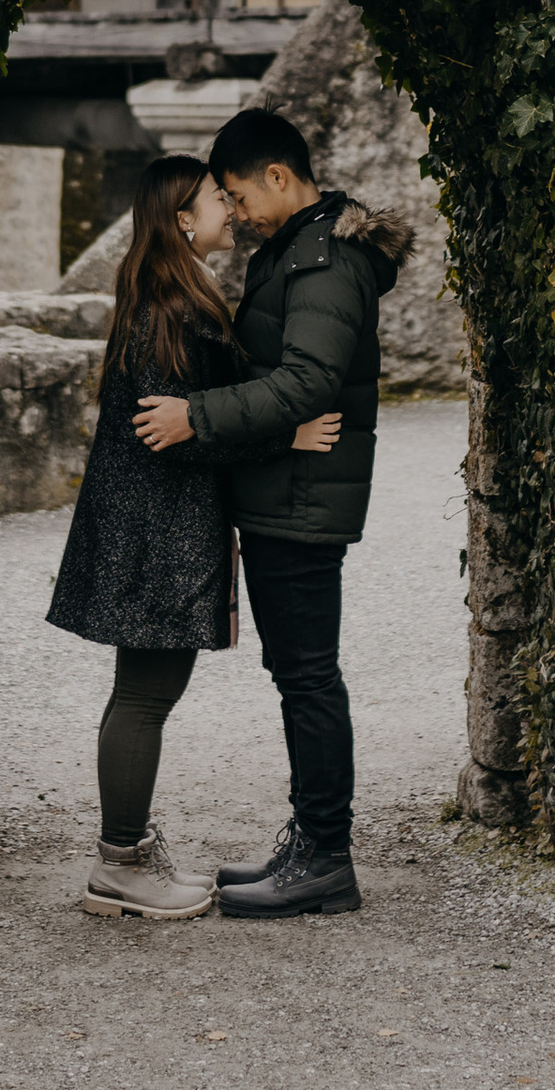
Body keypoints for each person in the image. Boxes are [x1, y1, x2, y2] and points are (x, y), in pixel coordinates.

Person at [46, 153, 342, 920]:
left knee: (142, 692)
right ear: (182, 218)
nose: (231, 210)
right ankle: (119, 866)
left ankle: (126, 855)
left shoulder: (168, 294)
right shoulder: (173, 308)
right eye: (217, 198)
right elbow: (172, 430)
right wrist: (286, 434)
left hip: (152, 529)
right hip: (156, 533)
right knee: (144, 695)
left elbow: (190, 415)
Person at [131, 103, 408, 921]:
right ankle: (311, 842)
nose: (237, 212)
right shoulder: (299, 247)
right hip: (287, 491)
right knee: (298, 675)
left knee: (309, 677)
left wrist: (196, 416)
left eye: (239, 195)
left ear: (279, 176)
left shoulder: (323, 260)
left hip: (301, 500)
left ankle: (325, 859)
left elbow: (307, 380)